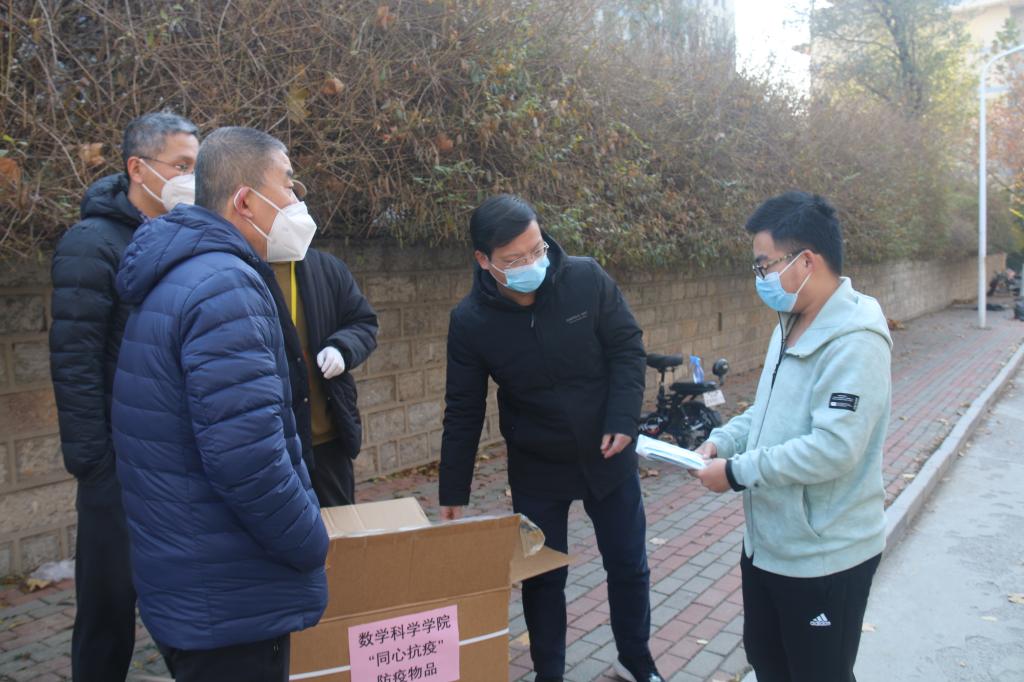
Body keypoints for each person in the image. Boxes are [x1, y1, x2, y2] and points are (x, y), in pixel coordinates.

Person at [110, 126, 329, 681]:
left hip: (193, 578)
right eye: (288, 184)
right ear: (246, 201)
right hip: (232, 596)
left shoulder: (182, 272)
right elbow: (247, 458)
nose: (297, 200)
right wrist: (311, 540)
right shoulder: (224, 285)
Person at [438, 194, 663, 682]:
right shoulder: (471, 321)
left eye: (537, 249)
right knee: (542, 578)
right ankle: (549, 673)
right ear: (484, 261)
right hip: (536, 465)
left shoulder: (585, 279)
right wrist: (453, 490)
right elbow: (464, 408)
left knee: (628, 563)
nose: (532, 264)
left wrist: (624, 418)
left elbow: (627, 347)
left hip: (608, 450)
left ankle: (636, 660)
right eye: (514, 259)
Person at [693, 191, 892, 682]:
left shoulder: (856, 339)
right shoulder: (790, 322)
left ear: (806, 261)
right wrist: (724, 441)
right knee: (769, 663)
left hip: (823, 558)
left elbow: (833, 449)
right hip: (767, 547)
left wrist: (735, 473)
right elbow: (769, 410)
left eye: (765, 265)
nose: (759, 277)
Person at [49, 110, 198, 682]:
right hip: (115, 464)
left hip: (173, 457)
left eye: (196, 166)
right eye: (180, 166)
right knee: (108, 607)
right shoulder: (92, 244)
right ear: (138, 168)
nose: (190, 178)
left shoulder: (182, 236)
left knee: (185, 602)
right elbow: (75, 362)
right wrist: (94, 465)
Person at [270, 243, 378, 507]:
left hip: (327, 438)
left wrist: (342, 348)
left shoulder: (327, 268)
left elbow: (363, 322)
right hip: (274, 445)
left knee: (342, 527)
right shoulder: (242, 271)